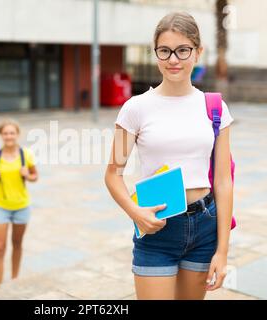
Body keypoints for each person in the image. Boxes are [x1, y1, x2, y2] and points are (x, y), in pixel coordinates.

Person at [105, 12, 234, 300]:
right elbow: (113, 174)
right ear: (156, 54)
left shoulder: (214, 107)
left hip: (204, 225)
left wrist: (222, 251)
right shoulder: (136, 108)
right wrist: (134, 212)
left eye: (182, 50)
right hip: (156, 228)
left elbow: (223, 182)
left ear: (198, 53)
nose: (173, 59)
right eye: (165, 51)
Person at [0, 119, 38, 288]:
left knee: (17, 244)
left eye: (12, 133)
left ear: (17, 134)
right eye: (5, 133)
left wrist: (28, 175)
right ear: (1, 135)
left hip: (21, 207)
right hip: (0, 207)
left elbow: (35, 176)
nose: (9, 136)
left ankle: (14, 279)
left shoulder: (25, 155)